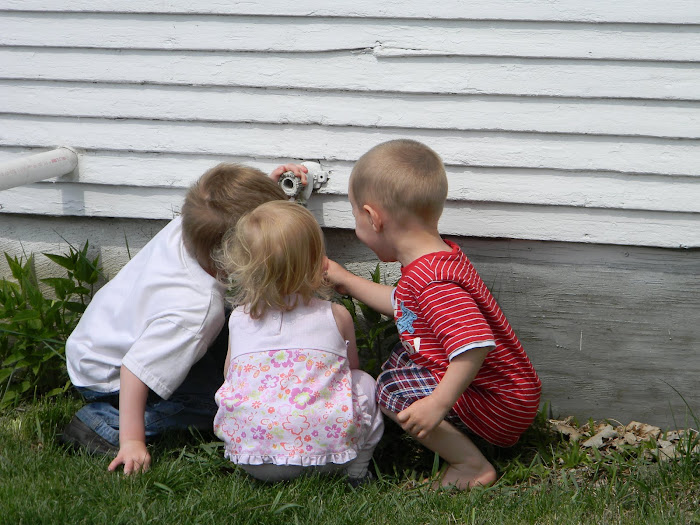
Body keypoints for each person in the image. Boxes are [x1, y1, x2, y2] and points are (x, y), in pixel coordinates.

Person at [61, 162, 309, 475]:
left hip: (100, 338)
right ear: (235, 256)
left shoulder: (193, 226)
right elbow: (135, 371)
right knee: (218, 403)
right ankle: (103, 423)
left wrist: (268, 193)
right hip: (111, 376)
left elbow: (230, 213)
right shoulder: (197, 311)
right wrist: (132, 441)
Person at [325, 139, 541, 490]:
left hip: (497, 401)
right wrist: (346, 280)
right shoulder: (435, 262)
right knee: (401, 357)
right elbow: (404, 305)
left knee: (391, 388)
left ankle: (470, 464)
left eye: (354, 215)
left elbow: (474, 347)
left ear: (373, 218)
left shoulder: (434, 284)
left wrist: (437, 405)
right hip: (498, 393)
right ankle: (462, 439)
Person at [212, 200, 384, 485]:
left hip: (253, 458)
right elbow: (348, 369)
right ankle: (357, 471)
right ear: (317, 261)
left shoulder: (239, 319)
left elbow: (230, 375)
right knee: (363, 380)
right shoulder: (335, 315)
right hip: (331, 456)